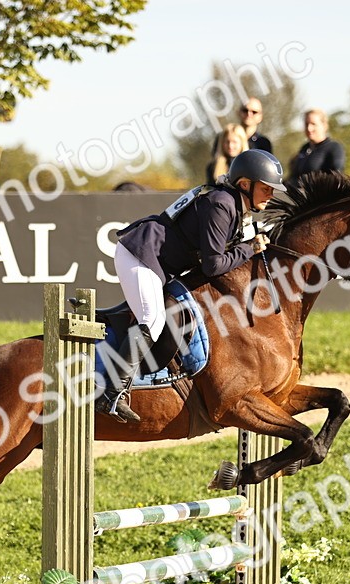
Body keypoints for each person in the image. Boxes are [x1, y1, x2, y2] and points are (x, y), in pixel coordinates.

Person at [99, 149, 286, 422]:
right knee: (152, 318)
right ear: (245, 184)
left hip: (159, 264)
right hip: (140, 254)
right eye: (267, 188)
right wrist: (249, 249)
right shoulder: (222, 203)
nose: (271, 195)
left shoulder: (234, 204)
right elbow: (213, 265)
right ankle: (111, 395)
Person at [289, 109, 344, 180]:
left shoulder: (334, 148)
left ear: (324, 126)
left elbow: (336, 177)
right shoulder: (304, 148)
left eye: (313, 124)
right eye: (306, 124)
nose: (309, 128)